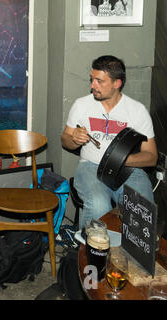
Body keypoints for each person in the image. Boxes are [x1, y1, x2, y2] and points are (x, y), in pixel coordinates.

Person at [61, 55, 157, 230]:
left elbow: (151, 157)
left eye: (99, 81)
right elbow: (65, 140)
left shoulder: (137, 110)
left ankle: (130, 256)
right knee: (99, 206)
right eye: (92, 80)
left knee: (142, 209)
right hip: (91, 166)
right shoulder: (81, 105)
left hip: (129, 170)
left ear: (117, 83)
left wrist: (121, 160)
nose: (92, 85)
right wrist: (74, 138)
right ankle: (91, 254)